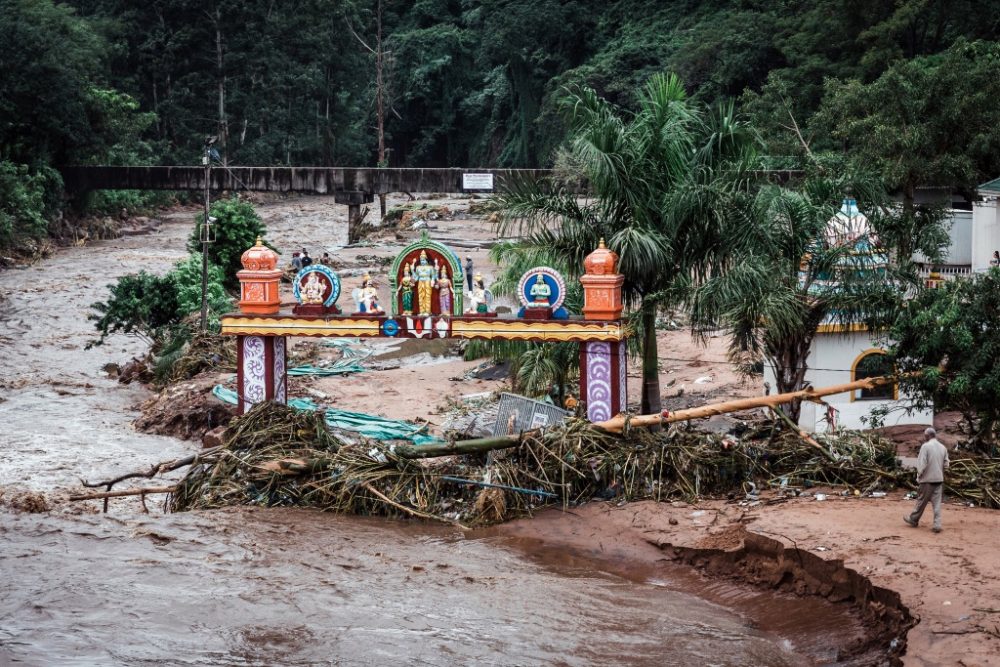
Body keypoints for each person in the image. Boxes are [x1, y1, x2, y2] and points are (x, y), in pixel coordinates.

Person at [904, 427, 950, 533]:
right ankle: (937, 525)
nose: (924, 437)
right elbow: (946, 464)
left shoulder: (926, 446)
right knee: (937, 503)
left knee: (921, 500)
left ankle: (913, 519)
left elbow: (922, 463)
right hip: (939, 479)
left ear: (928, 435)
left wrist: (919, 475)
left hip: (927, 479)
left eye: (925, 436)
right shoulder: (943, 447)